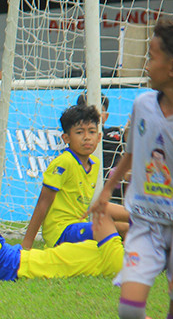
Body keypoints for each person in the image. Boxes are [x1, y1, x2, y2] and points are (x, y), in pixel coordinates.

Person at [89, 18, 173, 319]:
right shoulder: (143, 104)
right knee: (129, 310)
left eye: (152, 56)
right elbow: (133, 150)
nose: (146, 64)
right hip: (145, 222)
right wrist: (108, 188)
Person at [21, 103, 129, 250]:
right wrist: (27, 244)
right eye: (79, 132)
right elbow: (43, 203)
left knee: (125, 228)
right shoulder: (64, 162)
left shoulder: (95, 163)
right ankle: (147, 217)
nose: (87, 138)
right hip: (61, 231)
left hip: (80, 227)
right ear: (66, 138)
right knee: (114, 225)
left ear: (99, 137)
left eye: (91, 132)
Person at [77, 93, 127, 202]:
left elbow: (128, 148)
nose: (95, 114)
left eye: (100, 110)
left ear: (106, 116)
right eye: (89, 110)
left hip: (116, 190)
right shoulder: (77, 137)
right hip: (90, 188)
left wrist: (128, 133)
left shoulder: (115, 132)